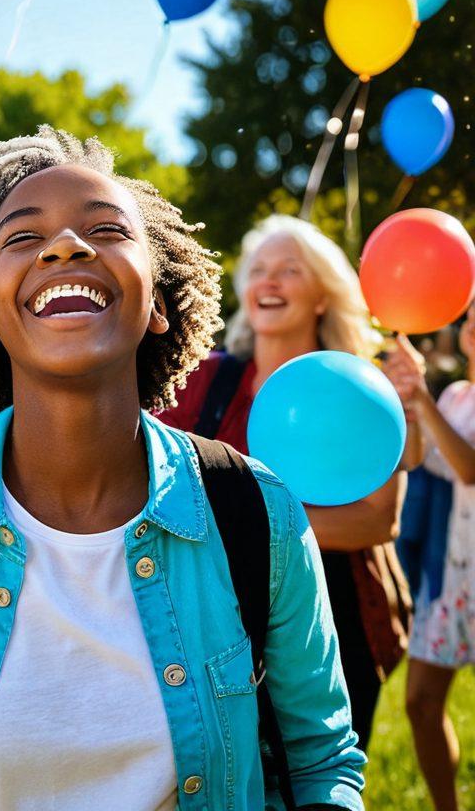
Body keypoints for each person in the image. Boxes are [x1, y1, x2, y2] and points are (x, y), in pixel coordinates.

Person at [0, 128, 365, 811]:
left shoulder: (258, 513)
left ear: (157, 305)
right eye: (23, 238)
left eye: (107, 230)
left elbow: (322, 761)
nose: (67, 247)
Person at [159, 213, 412, 752]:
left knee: (318, 772)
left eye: (289, 271)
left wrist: (245, 526)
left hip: (335, 613)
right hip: (215, 612)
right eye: (258, 270)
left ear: (323, 295)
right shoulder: (202, 378)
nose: (267, 282)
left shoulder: (362, 385)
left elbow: (377, 519)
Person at [385, 304, 475, 811]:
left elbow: (468, 467)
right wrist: (410, 407)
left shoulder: (448, 400)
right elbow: (422, 459)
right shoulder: (458, 396)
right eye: (473, 316)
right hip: (450, 578)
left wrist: (422, 395)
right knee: (420, 703)